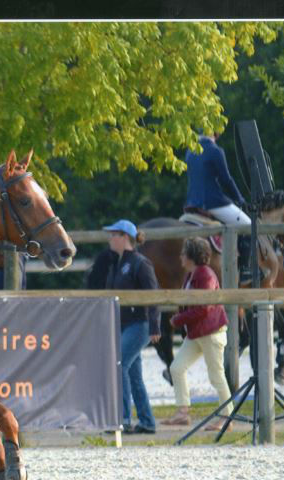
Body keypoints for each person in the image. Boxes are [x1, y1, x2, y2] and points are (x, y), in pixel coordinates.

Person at [161, 237, 233, 431]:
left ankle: (227, 417)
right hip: (197, 333)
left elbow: (204, 308)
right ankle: (182, 413)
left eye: (183, 253)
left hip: (211, 333)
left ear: (191, 256)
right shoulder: (191, 275)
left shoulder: (205, 275)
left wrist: (178, 320)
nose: (180, 256)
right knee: (176, 368)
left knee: (216, 376)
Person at [101, 220, 161, 434]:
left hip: (140, 324)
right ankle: (147, 422)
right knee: (133, 374)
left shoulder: (140, 263)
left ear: (124, 237)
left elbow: (152, 295)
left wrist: (154, 325)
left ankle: (123, 419)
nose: (110, 239)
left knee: (119, 365)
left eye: (113, 234)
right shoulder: (119, 263)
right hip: (126, 324)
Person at [184, 132, 253, 281]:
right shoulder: (215, 150)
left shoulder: (190, 150)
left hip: (191, 204)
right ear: (217, 133)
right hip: (212, 203)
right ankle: (246, 270)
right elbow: (226, 179)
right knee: (248, 225)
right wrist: (240, 199)